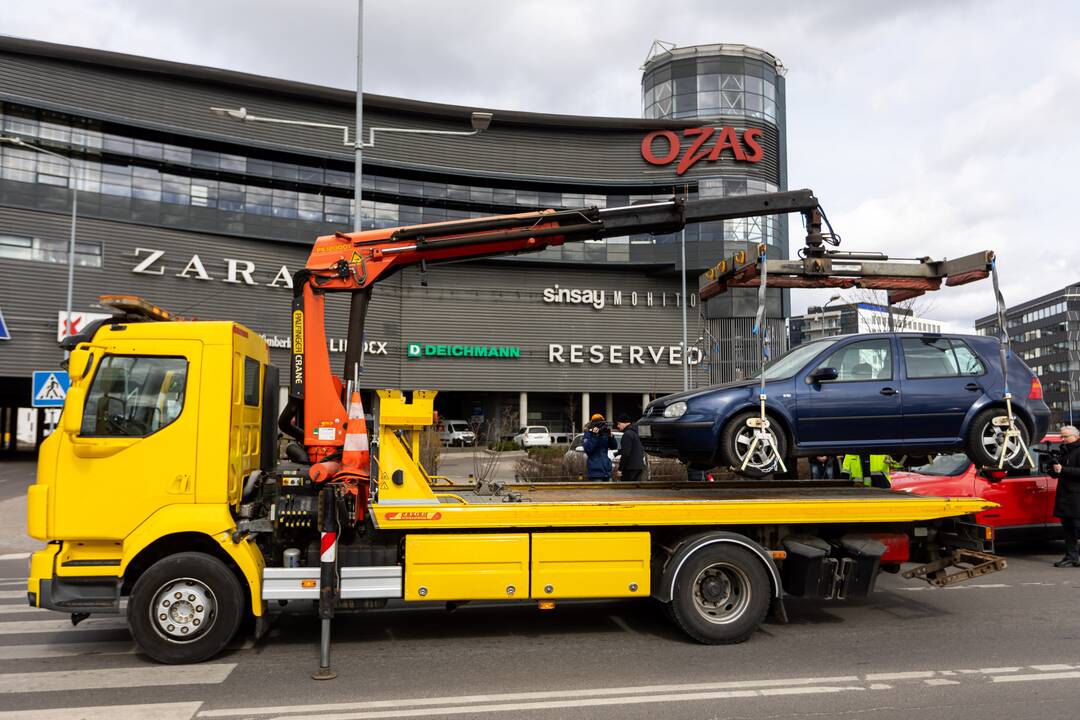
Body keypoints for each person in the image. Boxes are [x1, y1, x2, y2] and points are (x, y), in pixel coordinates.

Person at [1049, 425, 1080, 567]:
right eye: (1062, 436)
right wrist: (1053, 469)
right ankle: (1071, 557)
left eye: (1066, 436)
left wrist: (1064, 469)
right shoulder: (1064, 451)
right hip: (1065, 495)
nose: (1063, 439)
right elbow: (1058, 473)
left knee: (1077, 526)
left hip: (1076, 497)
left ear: (1076, 436)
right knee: (1068, 529)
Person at [583, 412, 618, 481]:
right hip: (595, 471)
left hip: (607, 470)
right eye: (598, 424)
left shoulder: (604, 433)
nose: (600, 426)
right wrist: (595, 436)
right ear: (593, 424)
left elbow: (614, 446)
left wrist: (611, 437)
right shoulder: (588, 434)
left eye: (601, 424)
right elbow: (588, 450)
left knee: (609, 492)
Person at [615, 413, 646, 482]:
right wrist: (618, 452)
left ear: (624, 423)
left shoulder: (627, 434)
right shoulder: (636, 432)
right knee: (635, 490)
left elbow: (625, 453)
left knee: (627, 490)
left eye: (619, 424)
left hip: (629, 468)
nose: (618, 426)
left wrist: (620, 469)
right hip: (639, 466)